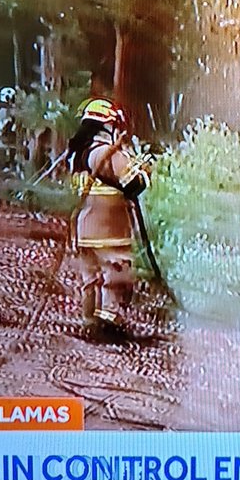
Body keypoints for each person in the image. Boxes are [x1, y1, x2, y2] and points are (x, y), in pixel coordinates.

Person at [67, 98, 151, 341]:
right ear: (108, 125)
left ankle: (90, 323)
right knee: (115, 277)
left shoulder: (78, 156)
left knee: (90, 280)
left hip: (84, 230)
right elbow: (134, 183)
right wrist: (142, 168)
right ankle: (108, 326)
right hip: (109, 231)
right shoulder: (106, 153)